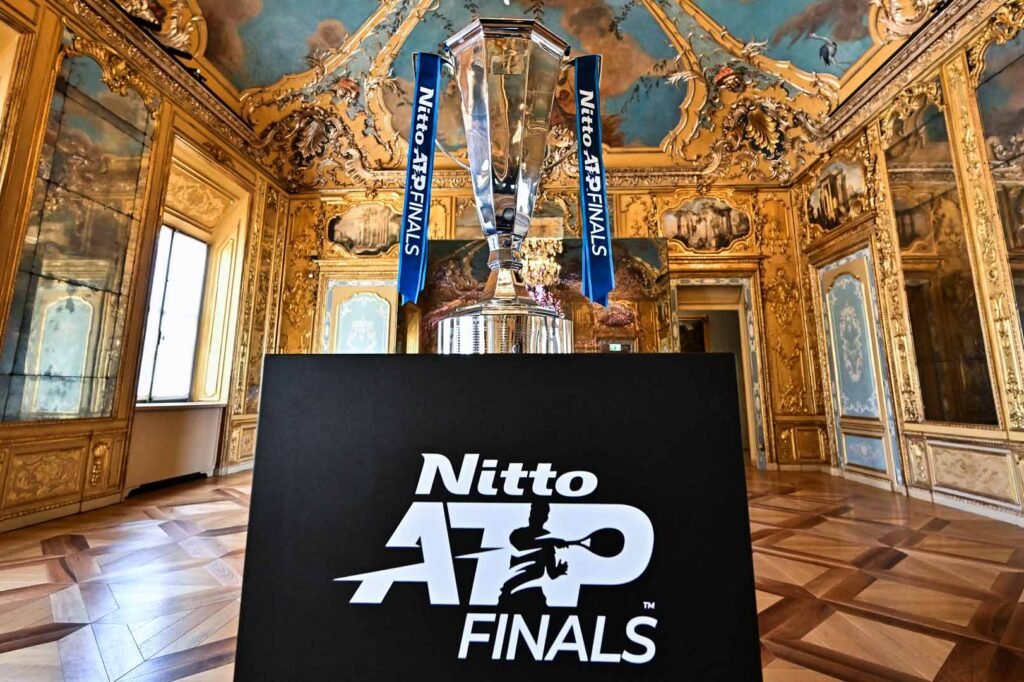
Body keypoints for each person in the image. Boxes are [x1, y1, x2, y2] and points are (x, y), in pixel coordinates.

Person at [498, 502, 569, 609]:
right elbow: (522, 544)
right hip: (511, 588)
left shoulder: (548, 542)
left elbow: (551, 573)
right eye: (532, 513)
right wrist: (551, 541)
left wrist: (559, 570)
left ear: (545, 518)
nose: (533, 517)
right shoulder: (519, 533)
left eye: (537, 514)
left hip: (533, 590)